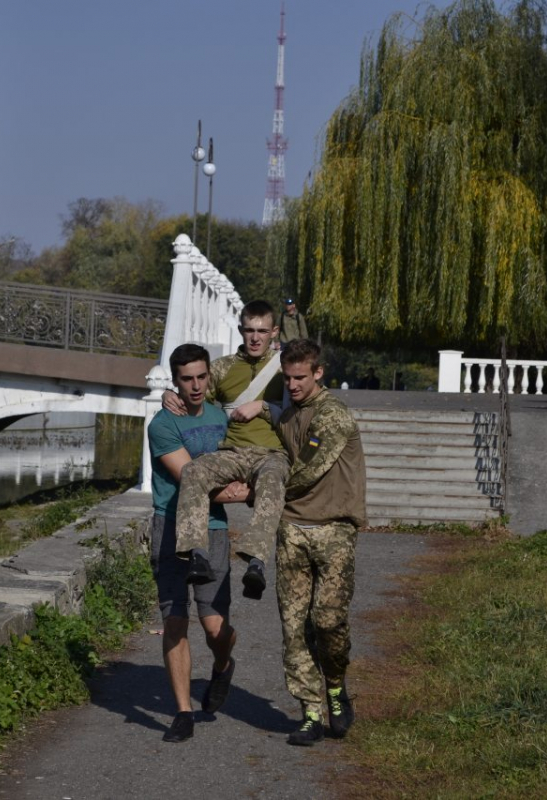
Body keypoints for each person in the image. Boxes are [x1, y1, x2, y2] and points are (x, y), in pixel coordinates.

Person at [147, 343, 247, 743]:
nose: (195, 386)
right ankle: (183, 711)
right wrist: (238, 492)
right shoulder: (161, 425)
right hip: (170, 526)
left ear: (209, 376)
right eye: (186, 379)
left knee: (214, 626)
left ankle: (223, 666)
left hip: (213, 530)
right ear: (175, 381)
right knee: (175, 619)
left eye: (201, 377)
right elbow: (191, 478)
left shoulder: (222, 419)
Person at [271, 338, 367, 746]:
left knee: (327, 621)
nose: (292, 385)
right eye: (287, 378)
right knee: (294, 629)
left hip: (333, 529)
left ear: (318, 373)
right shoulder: (288, 413)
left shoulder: (334, 416)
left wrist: (261, 492)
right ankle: (310, 713)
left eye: (299, 377)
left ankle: (335, 685)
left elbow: (308, 470)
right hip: (292, 531)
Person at [166, 299, 288, 601]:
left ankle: (256, 564)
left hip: (272, 454)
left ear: (274, 332)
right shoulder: (222, 368)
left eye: (262, 331)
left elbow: (308, 398)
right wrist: (168, 393)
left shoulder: (285, 368)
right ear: (240, 331)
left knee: (272, 480)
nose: (255, 337)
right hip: (231, 452)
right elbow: (192, 391)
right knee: (193, 470)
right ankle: (197, 554)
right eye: (249, 330)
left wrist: (262, 406)